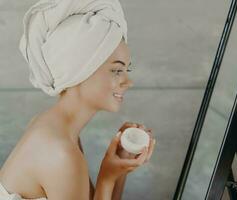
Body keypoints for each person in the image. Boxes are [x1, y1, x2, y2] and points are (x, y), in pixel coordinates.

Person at [0, 0, 156, 199]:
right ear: (81, 71)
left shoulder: (58, 129)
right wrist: (107, 177)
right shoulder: (61, 154)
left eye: (127, 70)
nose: (128, 81)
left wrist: (120, 169)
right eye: (117, 71)